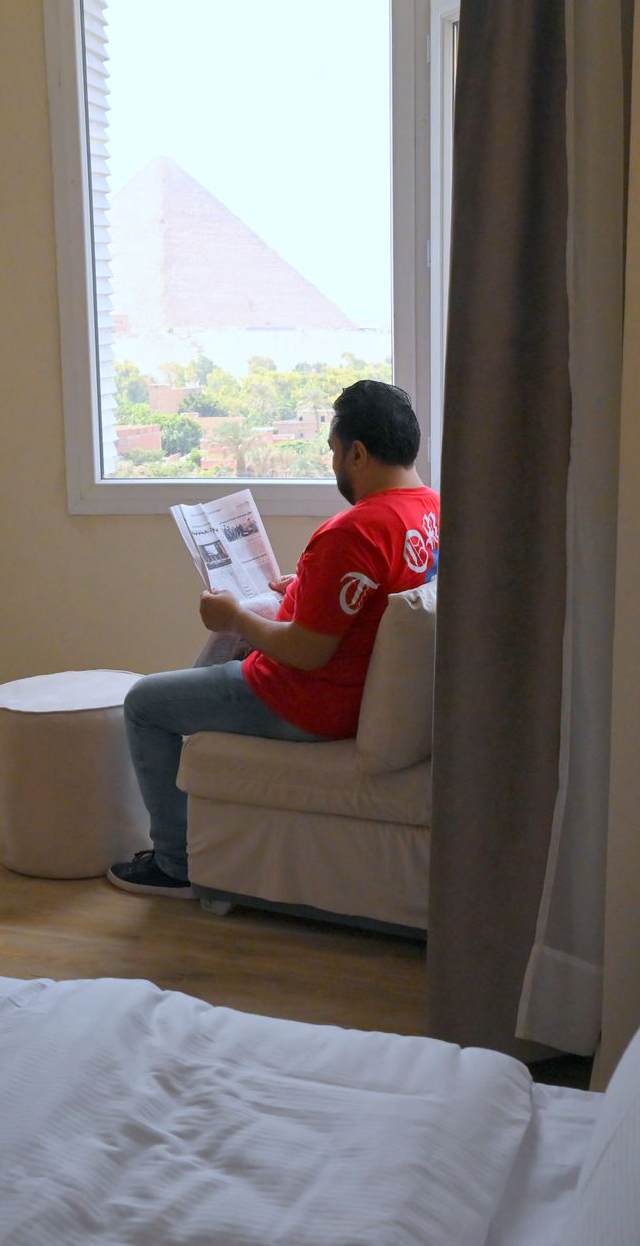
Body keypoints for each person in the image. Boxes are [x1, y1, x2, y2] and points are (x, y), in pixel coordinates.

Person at [108, 380, 442, 897]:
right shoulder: (430, 511)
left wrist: (235, 617)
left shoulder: (354, 531)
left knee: (145, 702)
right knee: (210, 666)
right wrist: (308, 587)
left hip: (307, 700)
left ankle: (175, 865)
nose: (333, 464)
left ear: (357, 452)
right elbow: (376, 598)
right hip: (353, 687)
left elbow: (308, 652)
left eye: (333, 452)